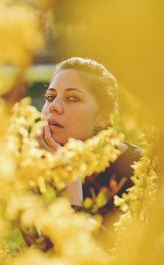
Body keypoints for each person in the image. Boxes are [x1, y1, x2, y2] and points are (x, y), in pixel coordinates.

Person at [36, 57, 142, 223]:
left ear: (103, 116)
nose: (53, 106)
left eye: (72, 98)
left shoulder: (140, 169)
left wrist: (72, 191)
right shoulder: (31, 165)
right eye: (50, 97)